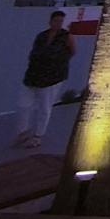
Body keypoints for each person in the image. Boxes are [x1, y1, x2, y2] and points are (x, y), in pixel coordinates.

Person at [14, 10, 75, 148]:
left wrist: (58, 63)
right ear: (50, 21)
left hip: (52, 76)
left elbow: (72, 51)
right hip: (33, 74)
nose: (58, 23)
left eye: (61, 21)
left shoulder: (66, 37)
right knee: (23, 104)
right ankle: (23, 132)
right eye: (56, 21)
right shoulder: (42, 36)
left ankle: (38, 135)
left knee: (45, 107)